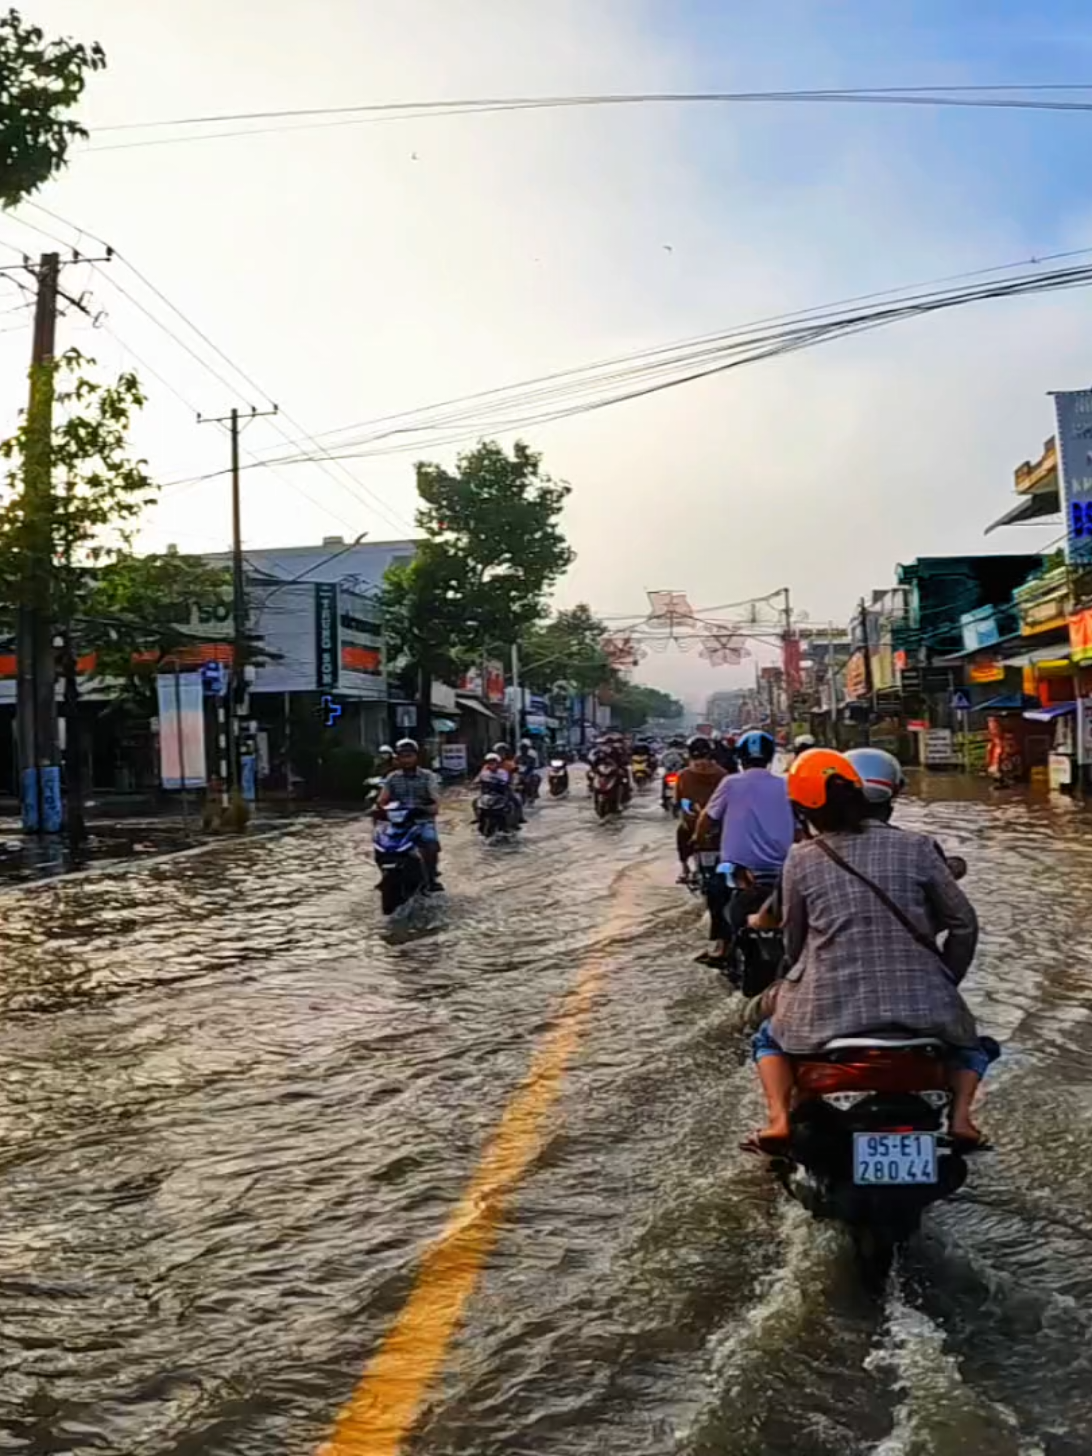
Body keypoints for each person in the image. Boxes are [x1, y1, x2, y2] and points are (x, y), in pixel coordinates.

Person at [750, 749, 991, 1150]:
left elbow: (795, 942)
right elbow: (963, 924)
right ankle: (962, 1117)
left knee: (766, 1039)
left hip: (826, 1017)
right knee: (972, 1046)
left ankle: (778, 1119)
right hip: (927, 1010)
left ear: (801, 810)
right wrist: (946, 979)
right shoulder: (918, 846)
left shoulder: (801, 858)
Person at [695, 729, 795, 964]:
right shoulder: (787, 785)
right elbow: (800, 828)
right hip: (783, 868)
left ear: (740, 757)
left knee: (715, 892)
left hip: (737, 870)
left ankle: (722, 946)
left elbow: (707, 818)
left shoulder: (730, 783)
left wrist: (698, 839)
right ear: (770, 757)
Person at [376, 738, 443, 890]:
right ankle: (385, 874)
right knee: (380, 845)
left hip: (422, 820)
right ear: (397, 758)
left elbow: (435, 801)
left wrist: (427, 808)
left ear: (416, 757)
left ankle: (431, 878)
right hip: (397, 822)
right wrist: (379, 808)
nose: (406, 760)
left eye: (409, 756)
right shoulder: (392, 777)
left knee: (430, 843)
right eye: (402, 756)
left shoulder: (428, 776)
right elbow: (382, 800)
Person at [673, 735, 726, 882]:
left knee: (681, 832)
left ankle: (684, 868)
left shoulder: (683, 775)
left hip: (694, 824)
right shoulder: (722, 774)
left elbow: (677, 800)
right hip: (717, 824)